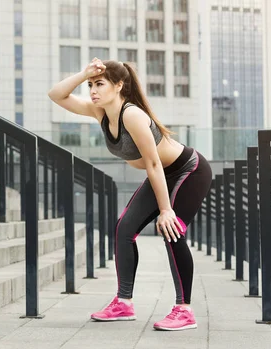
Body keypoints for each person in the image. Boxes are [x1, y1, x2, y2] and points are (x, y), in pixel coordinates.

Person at [48, 58, 212, 331]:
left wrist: (165, 210)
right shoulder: (100, 112)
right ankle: (123, 303)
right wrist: (84, 73)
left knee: (172, 230)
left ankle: (184, 310)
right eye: (91, 85)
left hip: (188, 170)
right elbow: (56, 95)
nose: (93, 91)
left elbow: (153, 163)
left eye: (99, 84)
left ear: (119, 85)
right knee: (124, 228)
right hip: (160, 173)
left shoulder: (132, 115)